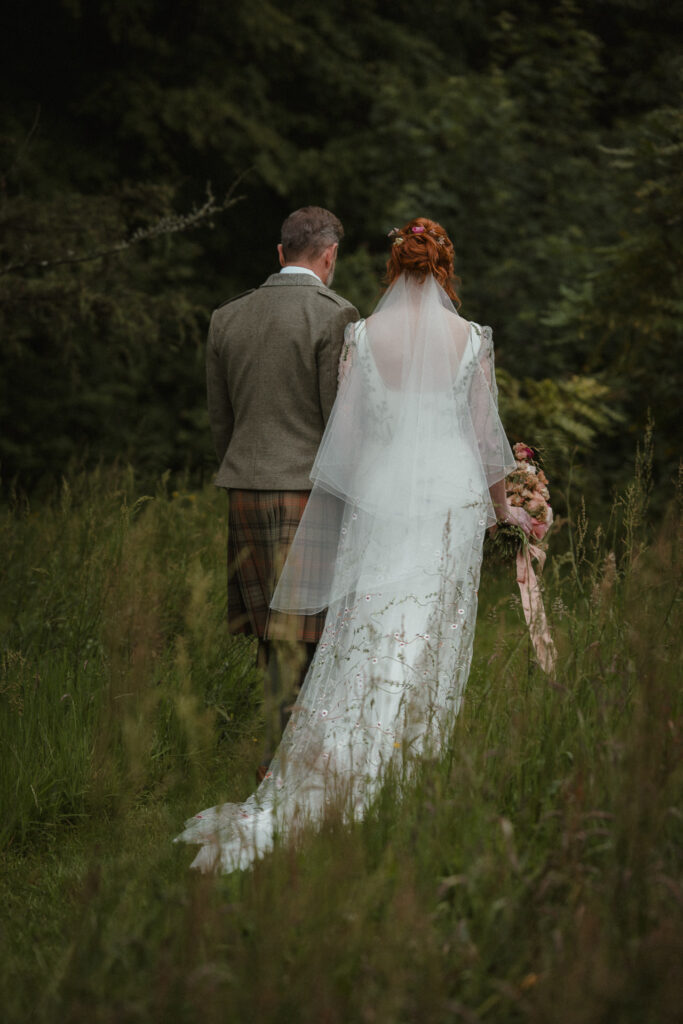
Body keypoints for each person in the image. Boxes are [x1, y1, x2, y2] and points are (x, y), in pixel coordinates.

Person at [176, 216, 529, 871]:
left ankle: (333, 763)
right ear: (445, 267)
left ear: (392, 267)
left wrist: (358, 496)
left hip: (382, 499)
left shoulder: (362, 336)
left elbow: (353, 437)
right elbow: (487, 439)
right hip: (446, 505)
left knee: (365, 629)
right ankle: (401, 772)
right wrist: (507, 509)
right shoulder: (472, 340)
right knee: (424, 634)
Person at [204, 206, 358, 776]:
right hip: (307, 493)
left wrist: (244, 465)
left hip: (244, 488)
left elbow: (221, 420)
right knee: (308, 637)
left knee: (273, 637)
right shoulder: (335, 315)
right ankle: (289, 762)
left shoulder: (228, 316)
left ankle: (279, 755)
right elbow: (338, 422)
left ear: (279, 252)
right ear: (329, 255)